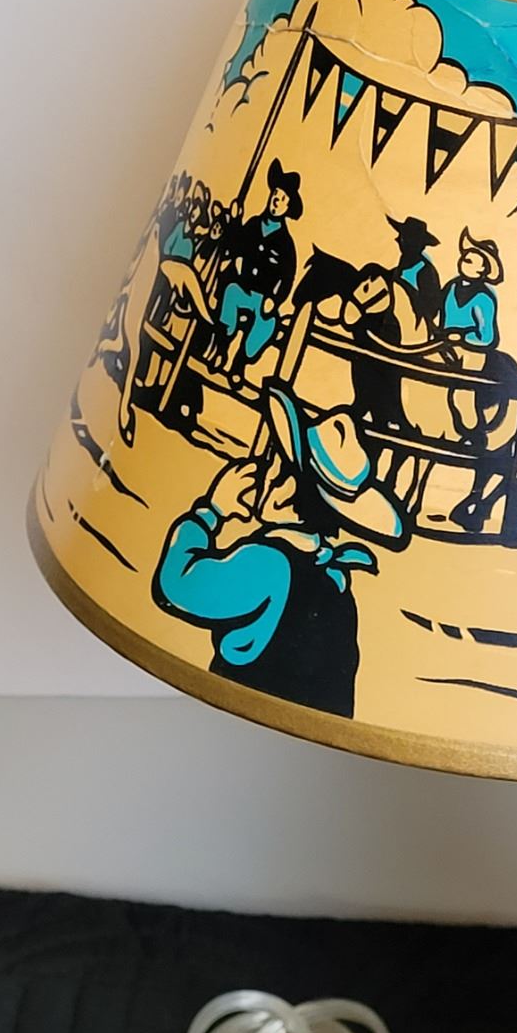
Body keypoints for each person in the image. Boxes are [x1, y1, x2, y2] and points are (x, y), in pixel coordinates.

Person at [152, 383, 408, 719]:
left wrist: (211, 511)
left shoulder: (268, 564)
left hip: (239, 721)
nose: (261, 468)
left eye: (273, 460)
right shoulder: (333, 580)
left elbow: (178, 585)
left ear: (285, 490)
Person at [218, 161, 303, 382]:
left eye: (283, 199)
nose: (277, 201)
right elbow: (235, 243)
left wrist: (275, 300)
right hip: (242, 288)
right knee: (230, 295)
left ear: (288, 207)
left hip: (263, 299)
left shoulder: (286, 243)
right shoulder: (254, 224)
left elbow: (287, 278)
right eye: (275, 195)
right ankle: (222, 347)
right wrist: (235, 220)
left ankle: (239, 364)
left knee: (267, 323)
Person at [439, 230, 502, 356]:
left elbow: (487, 337)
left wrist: (461, 337)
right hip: (445, 347)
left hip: (473, 352)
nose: (464, 259)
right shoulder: (451, 287)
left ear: (483, 268)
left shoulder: (484, 298)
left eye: (470, 261)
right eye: (464, 257)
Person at [387, 215, 442, 325]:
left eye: (406, 240)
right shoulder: (399, 267)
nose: (401, 242)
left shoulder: (425, 271)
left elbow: (432, 308)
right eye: (402, 239)